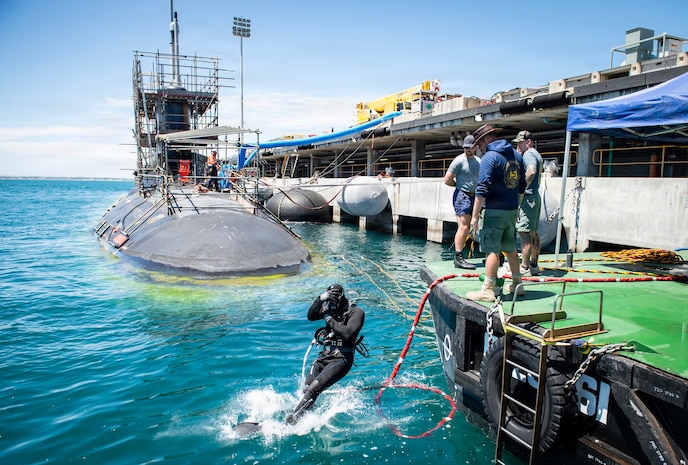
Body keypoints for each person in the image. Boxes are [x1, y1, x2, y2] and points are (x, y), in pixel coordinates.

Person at [286, 284, 365, 424]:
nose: (331, 305)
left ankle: (290, 423)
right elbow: (310, 316)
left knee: (314, 388)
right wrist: (320, 299)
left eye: (333, 300)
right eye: (329, 300)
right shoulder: (328, 307)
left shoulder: (356, 312)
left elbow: (348, 333)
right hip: (324, 356)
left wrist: (329, 319)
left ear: (341, 298)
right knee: (307, 389)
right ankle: (305, 419)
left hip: (341, 358)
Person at [466, 124, 526, 302]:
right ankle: (518, 284)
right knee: (509, 248)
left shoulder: (489, 157)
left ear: (486, 140)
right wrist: (516, 207)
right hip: (511, 210)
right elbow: (522, 186)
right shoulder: (516, 156)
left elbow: (482, 188)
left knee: (491, 250)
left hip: (493, 211)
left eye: (479, 145)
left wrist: (475, 216)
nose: (479, 149)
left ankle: (488, 289)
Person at [443, 135, 480, 269]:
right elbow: (447, 179)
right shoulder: (458, 161)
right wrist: (459, 187)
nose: (467, 151)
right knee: (464, 226)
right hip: (462, 195)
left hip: (475, 196)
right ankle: (458, 256)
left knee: (469, 227)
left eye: (469, 148)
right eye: (465, 148)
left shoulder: (479, 162)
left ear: (475, 147)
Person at [513, 130, 543, 276]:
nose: (518, 145)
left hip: (528, 198)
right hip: (535, 197)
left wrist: (522, 188)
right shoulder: (537, 154)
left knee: (524, 234)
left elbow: (531, 171)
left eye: (520, 142)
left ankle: (524, 268)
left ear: (528, 142)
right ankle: (533, 264)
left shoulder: (529, 154)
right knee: (533, 233)